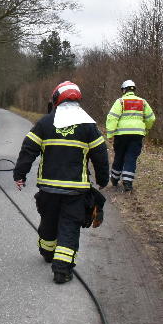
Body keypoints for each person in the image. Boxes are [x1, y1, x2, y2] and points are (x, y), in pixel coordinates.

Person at [13, 81, 109, 284]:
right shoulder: (89, 126)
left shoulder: (45, 123)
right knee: (69, 226)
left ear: (56, 99)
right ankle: (62, 270)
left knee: (48, 221)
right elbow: (100, 155)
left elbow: (28, 149)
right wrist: (102, 179)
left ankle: (48, 253)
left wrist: (20, 174)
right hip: (75, 190)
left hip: (48, 188)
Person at [105, 80, 156, 192]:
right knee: (131, 157)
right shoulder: (143, 102)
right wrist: (145, 128)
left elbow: (112, 117)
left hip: (121, 135)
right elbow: (151, 118)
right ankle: (128, 182)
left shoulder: (120, 102)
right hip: (137, 135)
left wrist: (110, 133)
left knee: (119, 156)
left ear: (124, 90)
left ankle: (114, 179)